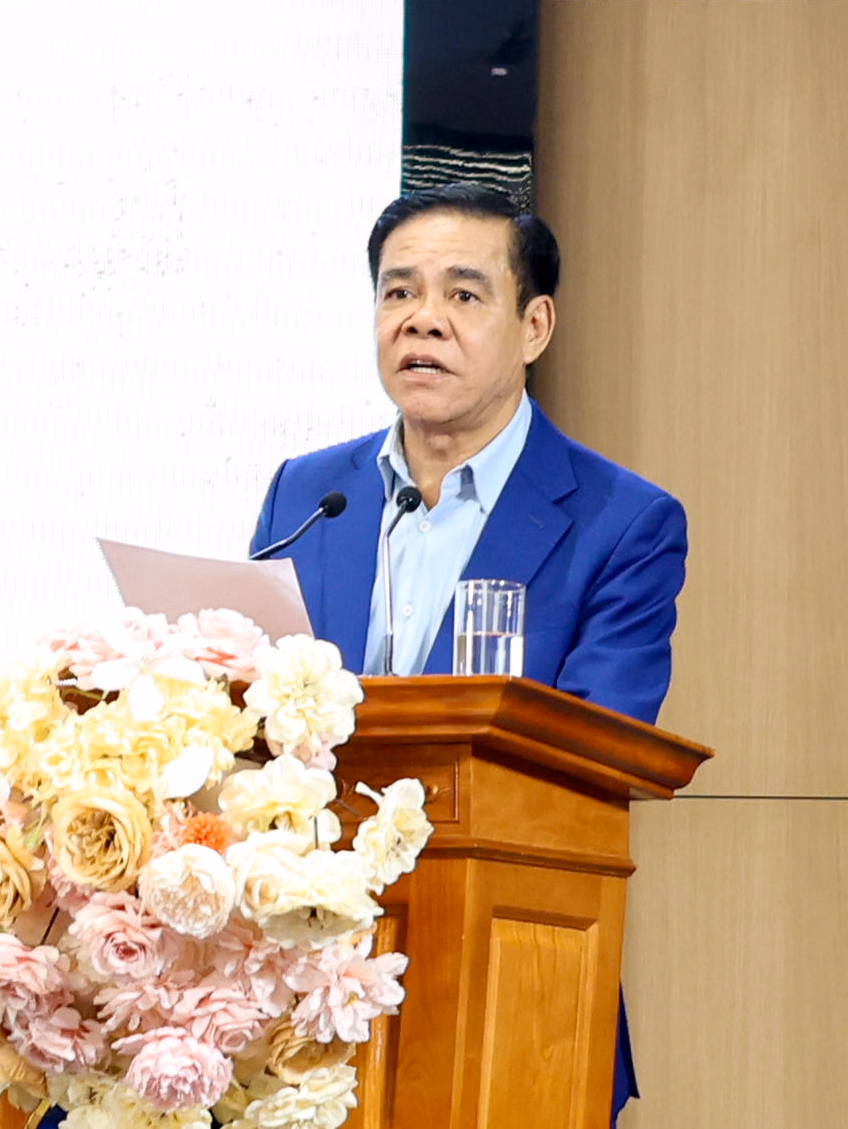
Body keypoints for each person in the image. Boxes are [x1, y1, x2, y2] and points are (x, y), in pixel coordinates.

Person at [249, 181, 688, 1122]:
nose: (422, 319)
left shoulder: (622, 523)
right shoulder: (307, 495)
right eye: (398, 292)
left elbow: (591, 763)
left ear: (535, 325)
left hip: (507, 984)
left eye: (462, 293)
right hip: (294, 1005)